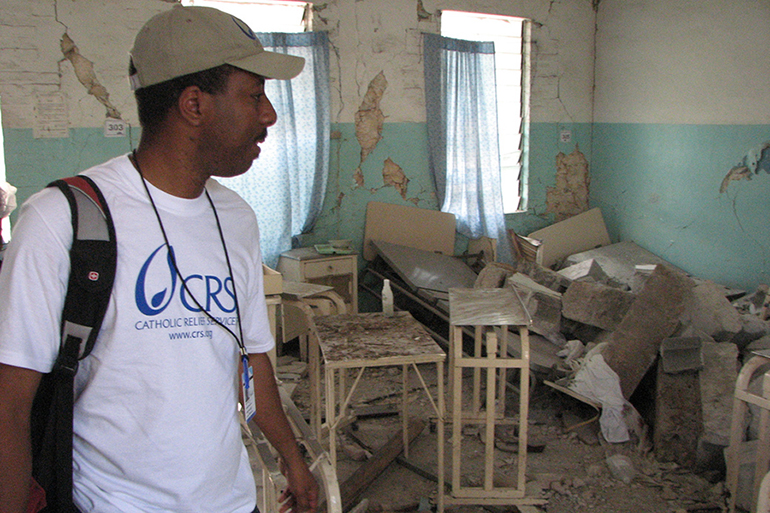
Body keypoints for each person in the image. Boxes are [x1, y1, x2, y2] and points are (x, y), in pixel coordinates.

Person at [0, 5, 318, 513]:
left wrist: (292, 457)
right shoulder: (62, 221)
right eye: (255, 96)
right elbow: (10, 409)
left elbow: (251, 360)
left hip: (232, 504)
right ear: (194, 104)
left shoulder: (236, 218)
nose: (269, 116)